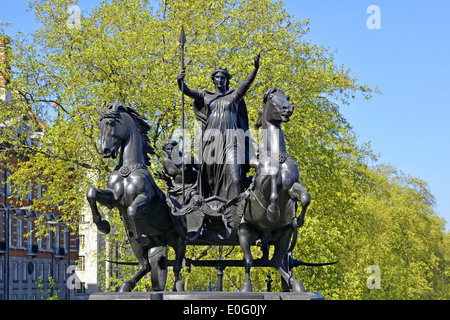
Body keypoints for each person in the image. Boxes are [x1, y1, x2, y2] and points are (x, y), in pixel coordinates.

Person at [177, 54, 260, 200]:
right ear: (213, 79)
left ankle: (235, 210)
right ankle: (208, 212)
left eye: (223, 78)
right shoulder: (205, 96)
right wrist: (180, 80)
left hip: (231, 143)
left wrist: (255, 69)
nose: (220, 80)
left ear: (227, 80)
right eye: (217, 77)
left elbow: (246, 84)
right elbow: (187, 91)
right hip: (211, 142)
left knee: (235, 178)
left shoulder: (234, 96)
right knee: (208, 181)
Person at [157, 139, 198, 205]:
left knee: (195, 198)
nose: (170, 151)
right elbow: (169, 177)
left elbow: (202, 170)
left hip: (191, 187)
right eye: (168, 149)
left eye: (172, 149)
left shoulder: (188, 157)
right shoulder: (165, 161)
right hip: (175, 190)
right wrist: (165, 178)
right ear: (164, 150)